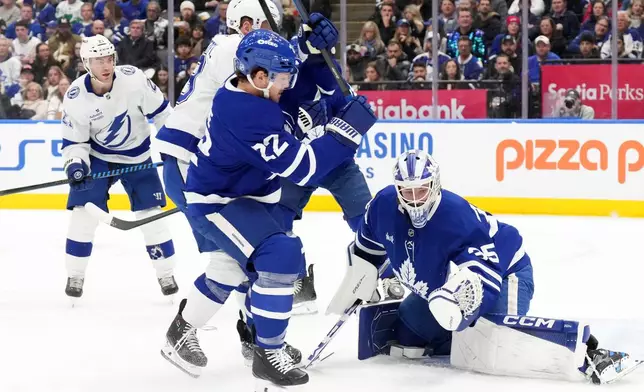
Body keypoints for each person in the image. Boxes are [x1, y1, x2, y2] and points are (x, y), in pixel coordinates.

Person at [160, 29, 376, 389]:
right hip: (218, 202)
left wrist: (311, 49)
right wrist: (346, 131)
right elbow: (305, 168)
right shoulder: (246, 113)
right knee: (281, 252)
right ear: (259, 76)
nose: (287, 85)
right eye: (281, 78)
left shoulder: (253, 87)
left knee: (230, 267)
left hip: (247, 196)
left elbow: (298, 81)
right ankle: (266, 351)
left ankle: (183, 331)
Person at [327, 149, 641, 385]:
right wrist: (361, 276)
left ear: (434, 185)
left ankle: (588, 354)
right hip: (445, 286)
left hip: (504, 272)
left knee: (492, 345)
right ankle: (450, 335)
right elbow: (368, 246)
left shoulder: (457, 218)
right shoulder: (382, 205)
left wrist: (459, 305)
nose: (413, 200)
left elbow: (483, 280)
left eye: (420, 190)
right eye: (406, 192)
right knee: (409, 326)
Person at [60, 35, 178, 302]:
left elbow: (163, 115)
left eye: (109, 58)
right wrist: (76, 164)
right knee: (83, 214)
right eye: (98, 60)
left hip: (137, 157)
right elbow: (74, 142)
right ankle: (75, 273)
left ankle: (166, 273)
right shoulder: (76, 97)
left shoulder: (134, 80)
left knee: (151, 217)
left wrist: (174, 149)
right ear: (85, 63)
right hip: (99, 157)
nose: (106, 65)